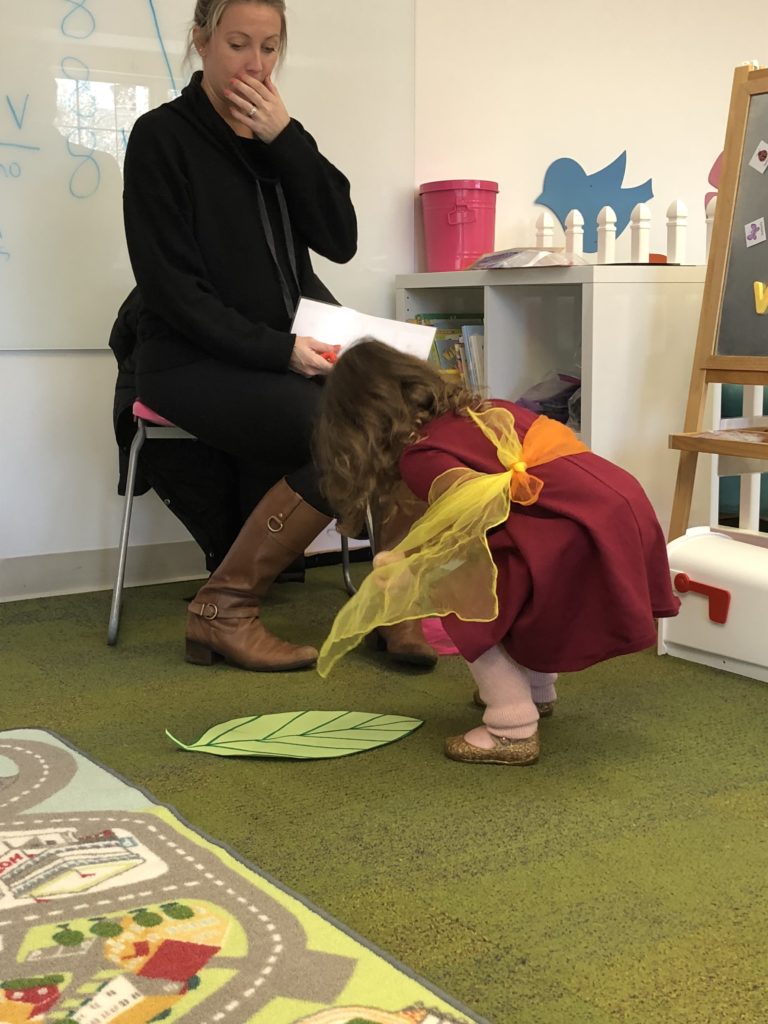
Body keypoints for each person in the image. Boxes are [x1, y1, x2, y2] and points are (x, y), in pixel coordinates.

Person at [117, 0, 437, 673]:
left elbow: (340, 241)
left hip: (282, 350)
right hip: (186, 360)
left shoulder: (280, 136)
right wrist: (280, 351)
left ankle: (393, 603)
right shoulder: (160, 137)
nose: (255, 64)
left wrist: (286, 139)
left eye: (269, 47)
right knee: (341, 431)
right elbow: (172, 292)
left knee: (409, 412)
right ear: (201, 39)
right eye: (238, 44)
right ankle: (223, 610)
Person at [313, 340, 681, 765]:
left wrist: (410, 564)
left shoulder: (422, 455)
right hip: (617, 507)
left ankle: (511, 727)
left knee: (467, 596)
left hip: (573, 530)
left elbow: (465, 516)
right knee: (517, 595)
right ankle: (537, 691)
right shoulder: (484, 410)